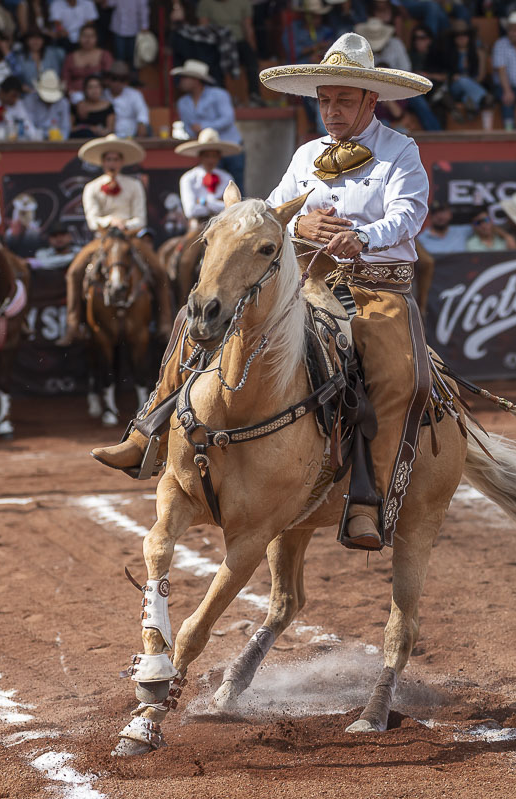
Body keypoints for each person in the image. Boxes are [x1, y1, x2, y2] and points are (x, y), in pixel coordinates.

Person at [92, 31, 436, 551]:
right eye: (324, 100)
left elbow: (409, 214)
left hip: (374, 286)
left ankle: (368, 497)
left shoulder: (400, 151)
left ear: (371, 99)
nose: (332, 110)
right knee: (197, 317)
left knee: (393, 377)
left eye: (343, 99)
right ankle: (148, 429)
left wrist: (358, 235)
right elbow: (270, 217)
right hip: (307, 281)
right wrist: (301, 229)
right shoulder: (305, 155)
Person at [55, 133, 147, 345]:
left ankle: (165, 322)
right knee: (74, 272)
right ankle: (73, 325)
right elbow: (92, 220)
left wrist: (125, 225)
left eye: (116, 159)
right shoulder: (92, 187)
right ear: (102, 162)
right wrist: (110, 222)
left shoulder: (134, 185)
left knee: (159, 269)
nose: (112, 163)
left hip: (130, 238)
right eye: (108, 159)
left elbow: (140, 219)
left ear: (121, 162)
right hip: (103, 239)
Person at [173, 59, 245, 189]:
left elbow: (228, 118)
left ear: (196, 80)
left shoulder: (219, 95)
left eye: (185, 77)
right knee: (213, 187)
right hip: (207, 150)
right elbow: (188, 127)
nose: (181, 81)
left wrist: (203, 127)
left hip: (230, 145)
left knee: (238, 188)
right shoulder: (182, 103)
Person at [197, 0, 263, 106]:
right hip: (217, 41)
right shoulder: (205, 3)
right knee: (213, 62)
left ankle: (254, 95)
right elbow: (203, 28)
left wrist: (252, 48)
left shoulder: (243, 2)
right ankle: (221, 96)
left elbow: (247, 27)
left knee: (252, 63)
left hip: (239, 40)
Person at [175, 127, 238, 223]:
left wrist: (203, 202)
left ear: (219, 157)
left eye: (214, 156)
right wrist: (218, 202)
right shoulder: (188, 178)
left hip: (223, 222)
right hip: (198, 223)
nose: (211, 160)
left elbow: (232, 207)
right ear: (200, 156)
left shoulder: (226, 178)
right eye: (207, 156)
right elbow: (190, 210)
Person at [62, 22, 112, 102]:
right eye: (84, 36)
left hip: (100, 95)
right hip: (76, 96)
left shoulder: (105, 55)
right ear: (79, 38)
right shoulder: (70, 57)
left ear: (96, 38)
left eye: (91, 36)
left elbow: (109, 78)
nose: (88, 39)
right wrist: (70, 92)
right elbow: (65, 79)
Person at [0, 75, 37, 141]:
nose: (15, 100)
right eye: (13, 96)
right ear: (2, 92)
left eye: (17, 96)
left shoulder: (18, 105)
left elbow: (29, 127)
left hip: (9, 144)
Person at [24, 70, 72, 139]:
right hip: (35, 141)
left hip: (57, 143)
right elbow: (28, 125)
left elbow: (65, 128)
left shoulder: (63, 103)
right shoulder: (30, 101)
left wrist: (59, 141)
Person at [107, 60, 147, 137]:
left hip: (131, 137)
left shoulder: (134, 94)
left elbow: (142, 115)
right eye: (114, 78)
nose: (117, 83)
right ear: (108, 79)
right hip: (107, 138)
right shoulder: (101, 94)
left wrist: (141, 131)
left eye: (122, 79)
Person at [105, 0, 148, 66]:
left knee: (132, 55)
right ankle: (119, 74)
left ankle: (132, 73)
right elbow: (109, 4)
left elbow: (144, 10)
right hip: (118, 28)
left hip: (133, 29)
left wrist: (144, 26)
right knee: (119, 55)